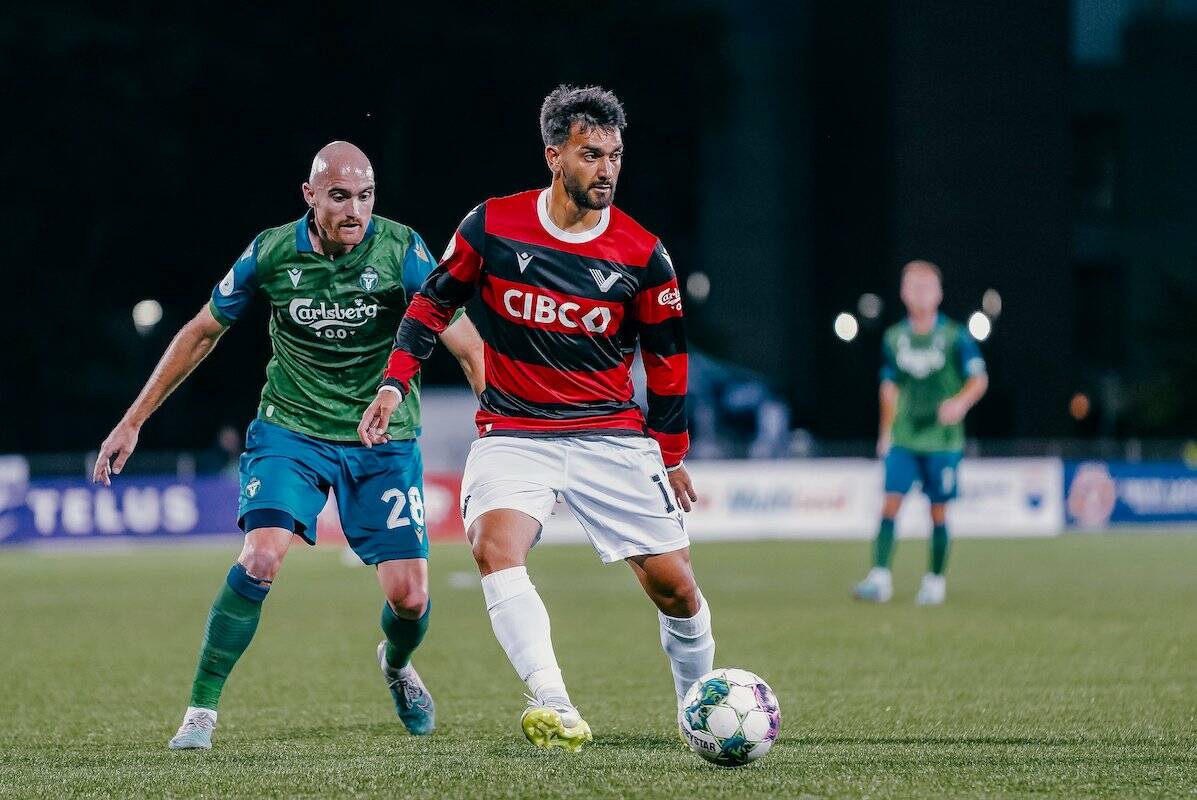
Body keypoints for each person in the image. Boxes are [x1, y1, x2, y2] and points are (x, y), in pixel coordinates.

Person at [92, 142, 485, 749]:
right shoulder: (272, 251)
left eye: (365, 196)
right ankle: (200, 712)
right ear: (310, 197)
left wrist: (501, 428)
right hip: (291, 429)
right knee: (260, 557)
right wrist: (133, 420)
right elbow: (200, 332)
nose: (355, 210)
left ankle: (397, 665)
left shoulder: (401, 249)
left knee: (409, 598)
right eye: (339, 197)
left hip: (380, 435)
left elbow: (465, 343)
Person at [358, 85, 714, 752]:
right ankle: (552, 700)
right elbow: (431, 307)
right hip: (514, 432)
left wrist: (669, 453)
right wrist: (392, 383)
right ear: (554, 156)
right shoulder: (491, 226)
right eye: (590, 154)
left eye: (614, 155)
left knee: (675, 590)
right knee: (495, 547)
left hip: (611, 434)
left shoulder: (642, 254)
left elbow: (668, 362)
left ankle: (700, 707)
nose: (606, 169)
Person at [853, 260, 988, 605]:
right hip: (905, 437)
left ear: (939, 293)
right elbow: (889, 387)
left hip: (942, 441)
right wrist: (885, 430)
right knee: (889, 505)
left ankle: (934, 581)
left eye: (927, 286)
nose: (920, 293)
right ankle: (880, 578)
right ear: (903, 292)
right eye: (913, 286)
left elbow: (979, 379)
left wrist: (959, 403)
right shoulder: (895, 337)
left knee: (938, 511)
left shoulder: (954, 336)